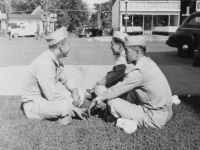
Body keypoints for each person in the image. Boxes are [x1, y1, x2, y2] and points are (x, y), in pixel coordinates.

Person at [88, 36, 173, 134]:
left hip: (154, 117)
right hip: (166, 113)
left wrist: (97, 99)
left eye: (127, 51)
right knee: (127, 95)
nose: (124, 55)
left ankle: (121, 121)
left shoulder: (139, 71)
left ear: (136, 52)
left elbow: (117, 89)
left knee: (113, 103)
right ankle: (118, 117)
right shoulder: (148, 63)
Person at [21, 27, 88, 125]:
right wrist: (73, 103)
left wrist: (74, 91)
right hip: (35, 105)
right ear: (61, 47)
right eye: (68, 44)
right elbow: (52, 96)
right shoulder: (44, 64)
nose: (70, 47)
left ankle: (65, 114)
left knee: (79, 93)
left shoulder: (53, 60)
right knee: (64, 105)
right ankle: (69, 112)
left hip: (47, 99)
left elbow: (67, 78)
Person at [87, 31, 134, 111]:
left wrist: (94, 87)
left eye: (112, 44)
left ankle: (105, 105)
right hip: (130, 93)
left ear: (119, 46)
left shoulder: (122, 60)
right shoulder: (126, 57)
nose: (110, 47)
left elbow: (107, 79)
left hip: (128, 97)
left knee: (99, 88)